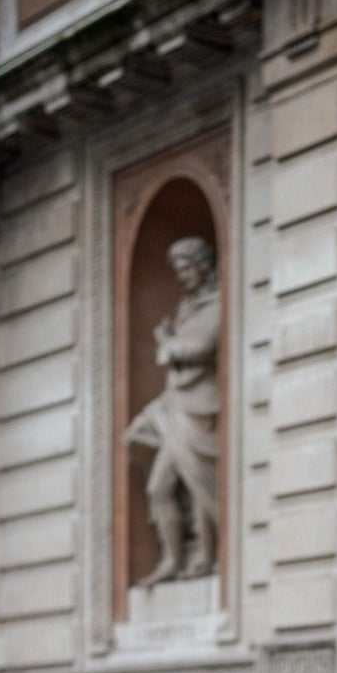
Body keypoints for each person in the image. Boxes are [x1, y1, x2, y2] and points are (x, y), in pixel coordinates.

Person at [123, 236, 220, 583]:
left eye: (185, 269)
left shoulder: (217, 303)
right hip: (178, 403)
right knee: (158, 488)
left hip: (202, 406)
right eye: (177, 270)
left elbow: (203, 345)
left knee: (199, 485)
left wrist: (168, 344)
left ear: (202, 266)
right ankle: (172, 559)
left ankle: (207, 557)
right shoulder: (188, 306)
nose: (181, 277)